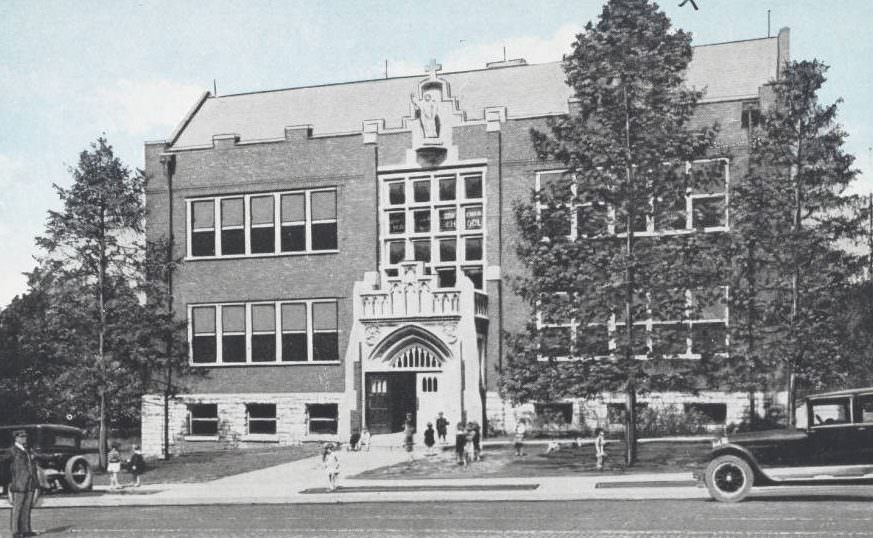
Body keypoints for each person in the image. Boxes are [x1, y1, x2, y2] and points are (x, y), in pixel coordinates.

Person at [8, 429, 38, 538]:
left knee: (27, 507)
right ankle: (15, 531)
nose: (24, 438)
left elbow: (37, 458)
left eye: (25, 436)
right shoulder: (12, 451)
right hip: (19, 483)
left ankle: (26, 530)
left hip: (29, 482)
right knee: (17, 508)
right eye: (21, 437)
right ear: (16, 438)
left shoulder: (28, 450)